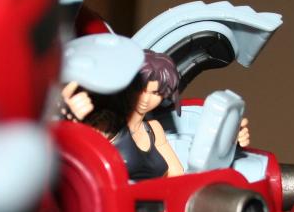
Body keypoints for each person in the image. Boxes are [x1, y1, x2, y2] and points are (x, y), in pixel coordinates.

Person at [61, 51, 250, 180]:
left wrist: (226, 142)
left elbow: (179, 177)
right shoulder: (106, 124)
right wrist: (68, 114)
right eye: (139, 88)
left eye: (155, 93)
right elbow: (72, 155)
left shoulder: (154, 130)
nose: (145, 99)